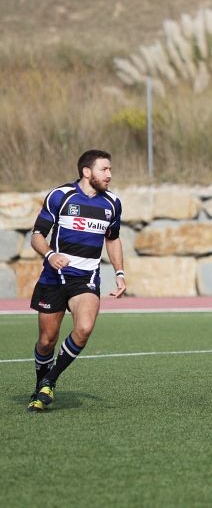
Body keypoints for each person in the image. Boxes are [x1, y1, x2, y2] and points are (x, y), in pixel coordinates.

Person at [26, 150, 127, 412]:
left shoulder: (113, 203)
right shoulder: (61, 196)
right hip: (54, 277)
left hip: (86, 278)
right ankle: (40, 385)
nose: (109, 175)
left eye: (110, 169)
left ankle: (50, 380)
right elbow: (37, 235)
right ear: (86, 171)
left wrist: (119, 273)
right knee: (47, 340)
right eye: (104, 170)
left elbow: (112, 239)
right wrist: (50, 254)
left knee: (83, 328)